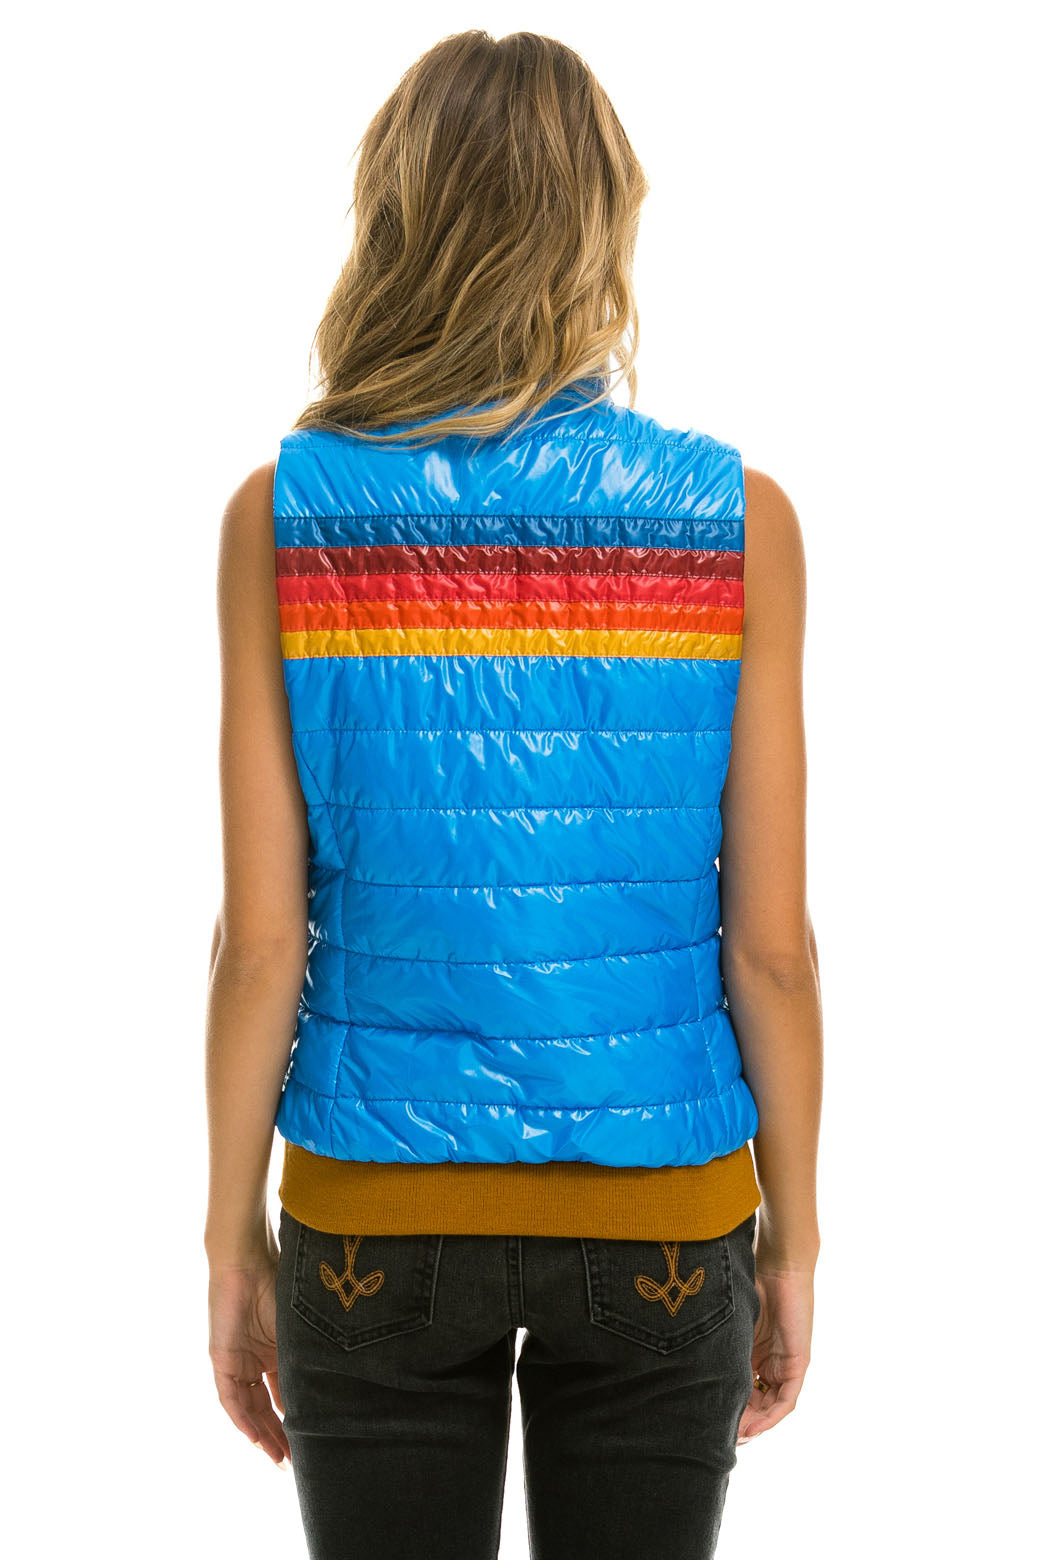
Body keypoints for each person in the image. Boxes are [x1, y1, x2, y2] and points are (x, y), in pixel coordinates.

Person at [204, 28, 822, 1560]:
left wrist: (229, 1237)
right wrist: (797, 1238)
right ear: (603, 221)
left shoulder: (284, 518)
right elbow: (770, 948)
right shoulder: (735, 520)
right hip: (665, 1213)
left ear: (395, 218)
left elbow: (261, 943)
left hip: (372, 1218)